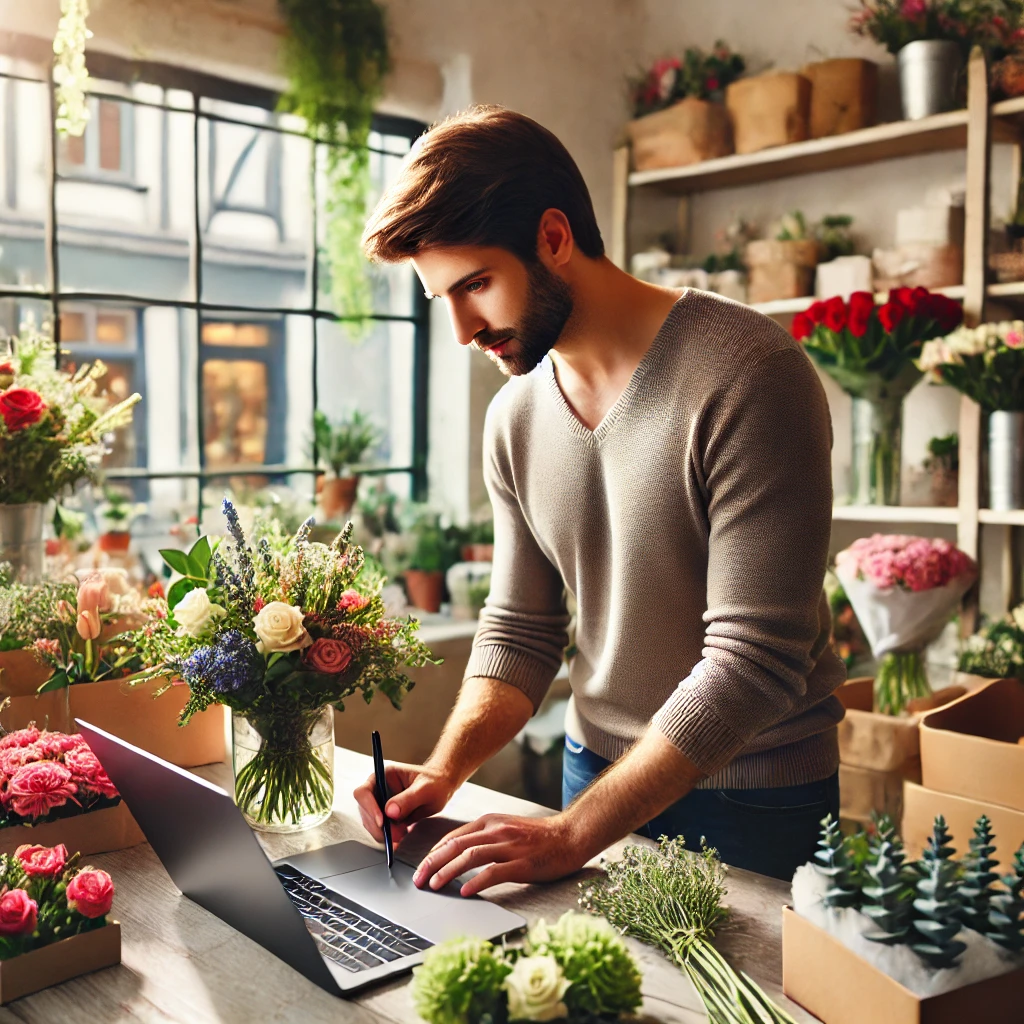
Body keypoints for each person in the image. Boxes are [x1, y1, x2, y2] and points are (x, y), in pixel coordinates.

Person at [353, 105, 846, 891]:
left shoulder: (750, 373)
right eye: (442, 297)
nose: (461, 331)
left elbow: (756, 662)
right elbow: (521, 628)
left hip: (754, 796)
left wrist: (570, 835)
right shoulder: (513, 416)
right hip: (594, 779)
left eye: (475, 285)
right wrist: (443, 774)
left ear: (554, 238)